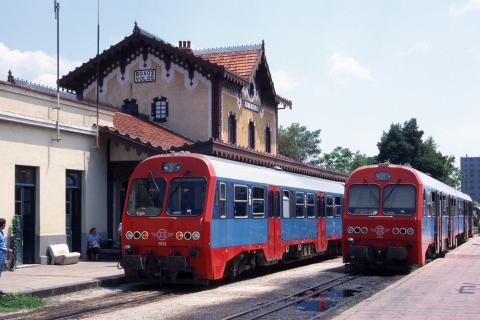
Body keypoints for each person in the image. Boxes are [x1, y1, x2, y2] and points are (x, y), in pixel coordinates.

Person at [0, 218, 7, 294]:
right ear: (2, 224)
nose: (5, 225)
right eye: (5, 224)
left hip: (2, 254)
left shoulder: (1, 232)